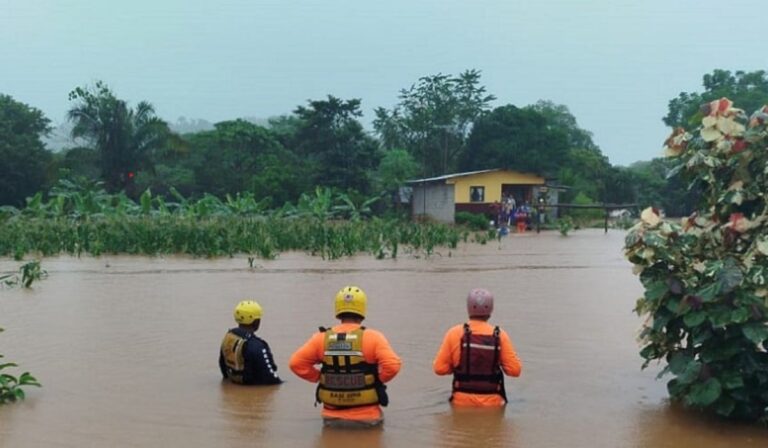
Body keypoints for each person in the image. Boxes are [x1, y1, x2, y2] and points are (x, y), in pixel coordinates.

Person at [289, 286, 402, 427]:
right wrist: (378, 380)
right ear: (362, 309)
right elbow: (393, 365)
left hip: (331, 419)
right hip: (368, 419)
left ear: (338, 309)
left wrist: (319, 377)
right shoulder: (374, 337)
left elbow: (295, 363)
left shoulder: (320, 338)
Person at [433, 288, 522, 407]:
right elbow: (515, 371)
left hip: (461, 402)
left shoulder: (454, 333)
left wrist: (457, 367)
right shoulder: (500, 335)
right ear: (491, 309)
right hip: (493, 403)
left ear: (468, 308)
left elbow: (439, 369)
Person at [219, 300, 283, 385]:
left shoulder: (229, 336)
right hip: (254, 387)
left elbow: (223, 365)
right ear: (256, 321)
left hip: (236, 382)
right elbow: (271, 378)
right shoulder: (257, 346)